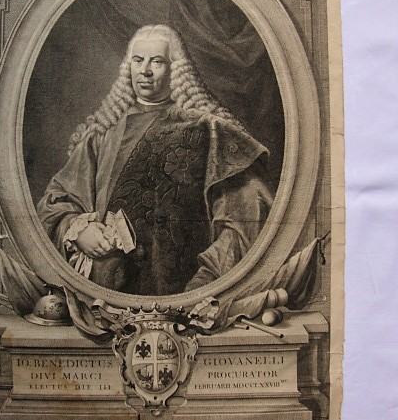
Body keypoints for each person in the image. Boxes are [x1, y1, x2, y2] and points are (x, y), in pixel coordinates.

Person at [37, 25, 273, 296]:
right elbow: (55, 202)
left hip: (188, 289)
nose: (145, 71)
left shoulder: (210, 131)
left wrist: (207, 283)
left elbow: (246, 215)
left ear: (177, 71)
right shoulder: (104, 137)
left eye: (157, 61)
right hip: (112, 292)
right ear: (128, 68)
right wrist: (79, 230)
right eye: (138, 60)